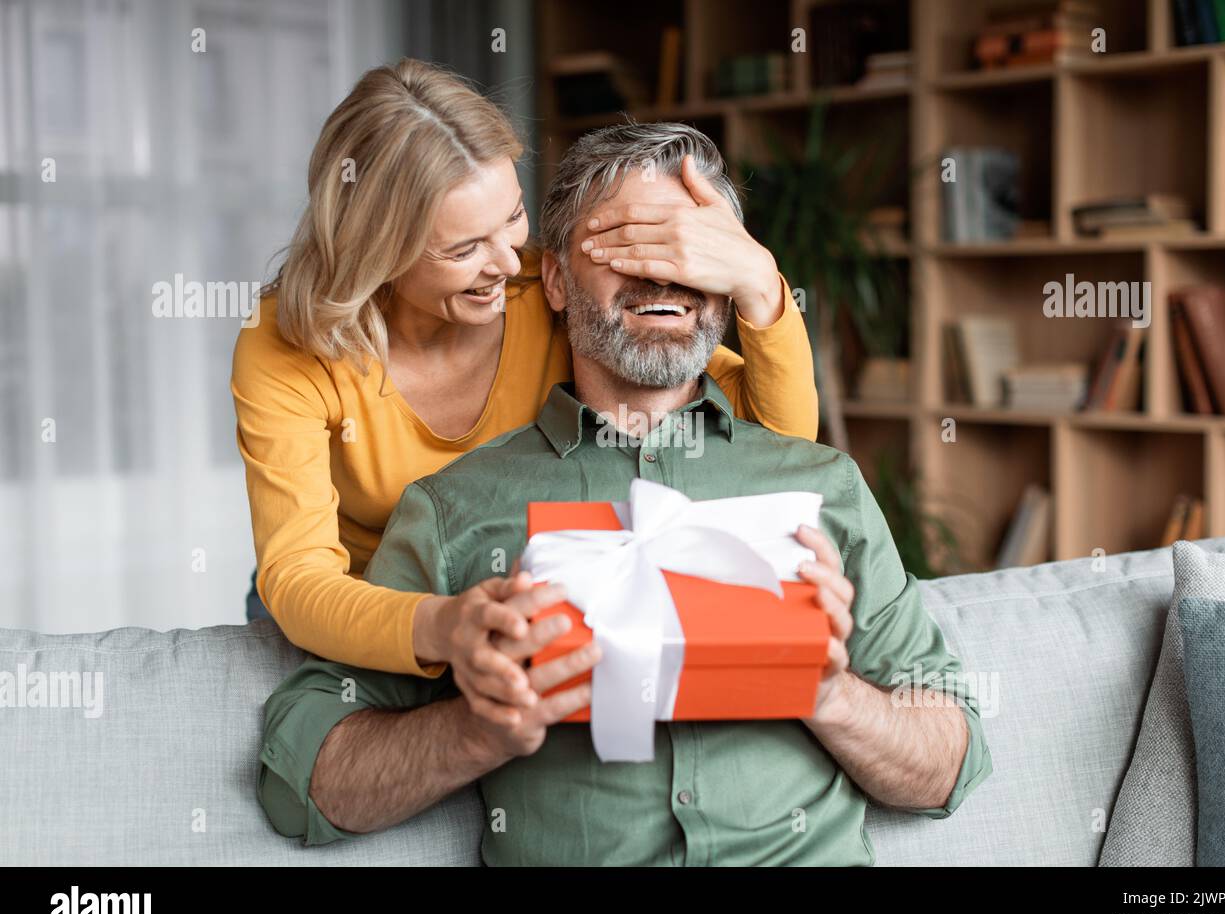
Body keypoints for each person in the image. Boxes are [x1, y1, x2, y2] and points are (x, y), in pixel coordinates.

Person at [255, 123, 992, 865]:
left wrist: (829, 693)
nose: (662, 275)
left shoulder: (818, 487)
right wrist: (479, 729)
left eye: (690, 251)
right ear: (552, 280)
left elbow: (950, 762)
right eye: (626, 247)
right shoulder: (455, 511)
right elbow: (305, 786)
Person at [230, 60, 818, 727]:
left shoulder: (550, 291)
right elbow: (300, 581)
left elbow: (779, 442)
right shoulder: (288, 341)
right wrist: (447, 625)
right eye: (464, 249)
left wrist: (760, 283)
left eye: (512, 218)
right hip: (370, 612)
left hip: (509, 604)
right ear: (377, 251)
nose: (511, 264)